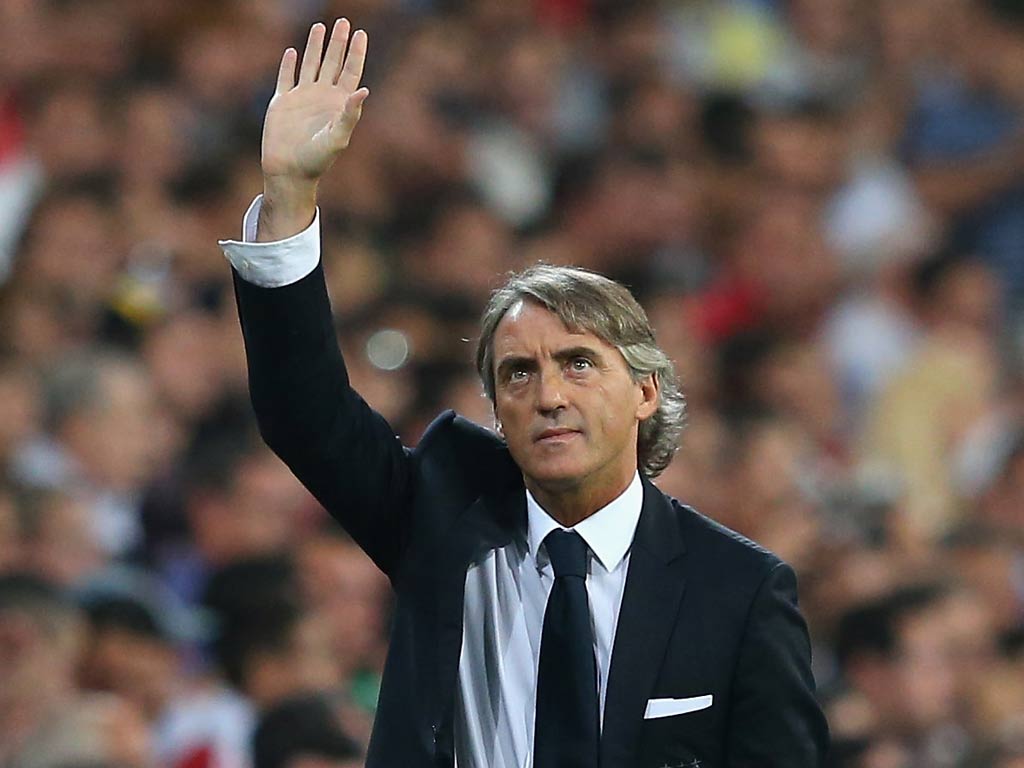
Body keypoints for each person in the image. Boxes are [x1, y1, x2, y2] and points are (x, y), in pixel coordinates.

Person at [219, 19, 829, 767]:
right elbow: (303, 412)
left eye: (577, 363)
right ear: (497, 409)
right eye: (517, 373)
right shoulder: (437, 512)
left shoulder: (738, 588)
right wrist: (288, 196)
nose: (547, 394)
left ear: (645, 391)